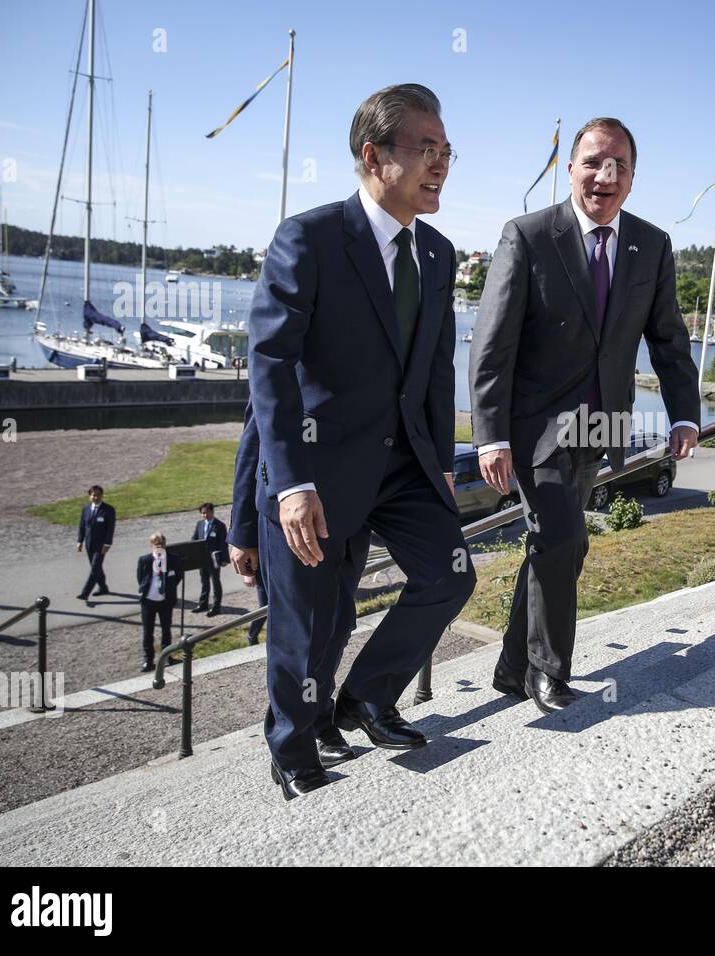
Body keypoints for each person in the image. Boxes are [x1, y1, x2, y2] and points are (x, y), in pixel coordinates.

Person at [248, 83, 476, 800]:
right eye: (426, 149)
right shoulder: (309, 239)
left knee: (452, 573)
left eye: (446, 150)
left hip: (404, 466)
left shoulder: (437, 254)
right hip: (316, 470)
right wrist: (290, 483)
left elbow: (435, 374)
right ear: (373, 156)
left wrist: (439, 468)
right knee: (312, 624)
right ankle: (293, 744)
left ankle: (368, 698)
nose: (440, 163)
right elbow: (270, 367)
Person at [469, 117, 700, 714]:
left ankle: (511, 663)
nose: (607, 175)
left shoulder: (652, 244)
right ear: (569, 168)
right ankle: (549, 671)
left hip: (603, 424)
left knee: (560, 545)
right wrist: (489, 435)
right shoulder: (527, 235)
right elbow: (490, 345)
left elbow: (668, 340)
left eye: (620, 165)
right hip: (534, 427)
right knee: (563, 535)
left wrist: (684, 414)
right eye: (595, 161)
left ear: (633, 178)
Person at [228, 402, 372, 768]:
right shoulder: (283, 359)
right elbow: (253, 444)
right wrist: (243, 532)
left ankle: (320, 713)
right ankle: (301, 731)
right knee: (301, 635)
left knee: (338, 627)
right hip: (291, 523)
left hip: (351, 522)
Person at [136, 533, 183, 672]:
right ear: (151, 546)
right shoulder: (144, 560)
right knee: (147, 632)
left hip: (165, 601)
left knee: (166, 630)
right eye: (157, 545)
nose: (160, 547)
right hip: (148, 601)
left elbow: (177, 577)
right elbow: (140, 578)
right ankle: (148, 660)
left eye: (162, 544)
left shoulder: (173, 560)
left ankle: (167, 656)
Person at [76, 485, 116, 600]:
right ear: (90, 496)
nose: (96, 497)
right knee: (97, 568)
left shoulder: (108, 510)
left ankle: (85, 593)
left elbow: (110, 529)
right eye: (93, 495)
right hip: (89, 544)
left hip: (101, 545)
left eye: (98, 495)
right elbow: (82, 526)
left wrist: (107, 544)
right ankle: (103, 587)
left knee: (94, 568)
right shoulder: (86, 508)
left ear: (102, 496)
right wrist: (80, 541)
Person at [191, 503, 230, 616]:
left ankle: (216, 606)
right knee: (204, 582)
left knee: (215, 582)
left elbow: (224, 544)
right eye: (203, 513)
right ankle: (203, 604)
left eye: (206, 512)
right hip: (202, 559)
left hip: (214, 560)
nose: (205, 515)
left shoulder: (220, 526)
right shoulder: (200, 524)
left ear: (212, 512)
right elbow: (194, 538)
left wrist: (224, 559)